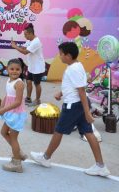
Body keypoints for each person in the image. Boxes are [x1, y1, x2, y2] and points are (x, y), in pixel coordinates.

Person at [30, 42, 110, 177]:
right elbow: (74, 85)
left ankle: (46, 158)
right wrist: (61, 93)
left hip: (73, 106)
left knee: (58, 131)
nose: (59, 56)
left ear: (68, 56)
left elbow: (81, 91)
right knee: (88, 133)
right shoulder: (77, 66)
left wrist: (87, 112)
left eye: (61, 54)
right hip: (77, 104)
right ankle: (100, 165)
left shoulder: (72, 69)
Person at [0, 58, 27, 172]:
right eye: (12, 69)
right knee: (3, 132)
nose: (14, 71)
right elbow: (7, 96)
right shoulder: (9, 81)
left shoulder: (19, 84)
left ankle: (17, 163)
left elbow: (17, 102)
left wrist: (4, 110)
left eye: (17, 69)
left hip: (16, 114)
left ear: (21, 70)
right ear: (7, 69)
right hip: (10, 112)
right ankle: (18, 152)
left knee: (13, 138)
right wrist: (2, 107)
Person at [11, 23, 45, 106]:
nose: (25, 36)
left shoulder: (36, 42)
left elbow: (25, 52)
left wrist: (15, 46)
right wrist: (16, 45)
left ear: (30, 33)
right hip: (32, 66)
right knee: (28, 81)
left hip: (38, 67)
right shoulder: (29, 40)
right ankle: (28, 98)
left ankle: (37, 100)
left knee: (37, 84)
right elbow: (24, 48)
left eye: (25, 34)